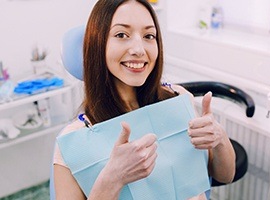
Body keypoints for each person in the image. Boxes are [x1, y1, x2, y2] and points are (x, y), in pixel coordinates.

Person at [53, 0, 236, 199]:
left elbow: (226, 175)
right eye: (121, 35)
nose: (139, 50)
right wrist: (112, 179)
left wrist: (219, 138)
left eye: (149, 36)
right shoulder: (74, 143)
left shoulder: (179, 98)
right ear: (98, 45)